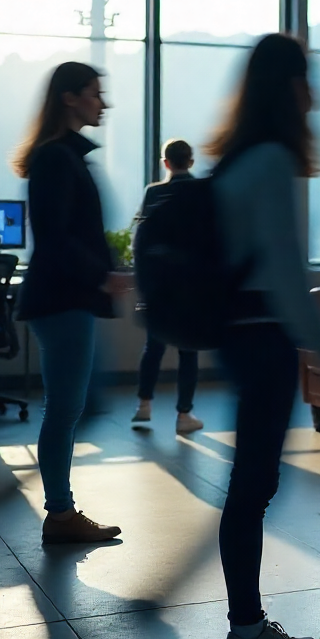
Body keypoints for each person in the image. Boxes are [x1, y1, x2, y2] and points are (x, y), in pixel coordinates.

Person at [206, 33, 320, 639]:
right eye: (307, 78)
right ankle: (247, 631)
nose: (315, 93)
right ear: (289, 87)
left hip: (240, 333)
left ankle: (247, 626)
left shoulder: (238, 158)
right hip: (264, 338)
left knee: (251, 484)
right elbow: (286, 271)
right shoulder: (271, 161)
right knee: (253, 486)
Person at [13, 62, 130, 545]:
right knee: (64, 410)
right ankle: (60, 515)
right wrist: (102, 275)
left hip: (66, 299)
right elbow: (56, 238)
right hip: (62, 300)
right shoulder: (56, 158)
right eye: (95, 93)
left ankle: (61, 512)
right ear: (69, 97)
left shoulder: (63, 156)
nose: (104, 103)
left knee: (68, 407)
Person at [132, 138, 203, 434]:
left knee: (154, 346)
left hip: (159, 285)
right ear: (191, 161)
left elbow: (141, 240)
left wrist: (143, 282)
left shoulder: (154, 192)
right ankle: (184, 415)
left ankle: (144, 405)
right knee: (188, 350)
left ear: (165, 162)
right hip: (190, 285)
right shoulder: (202, 191)